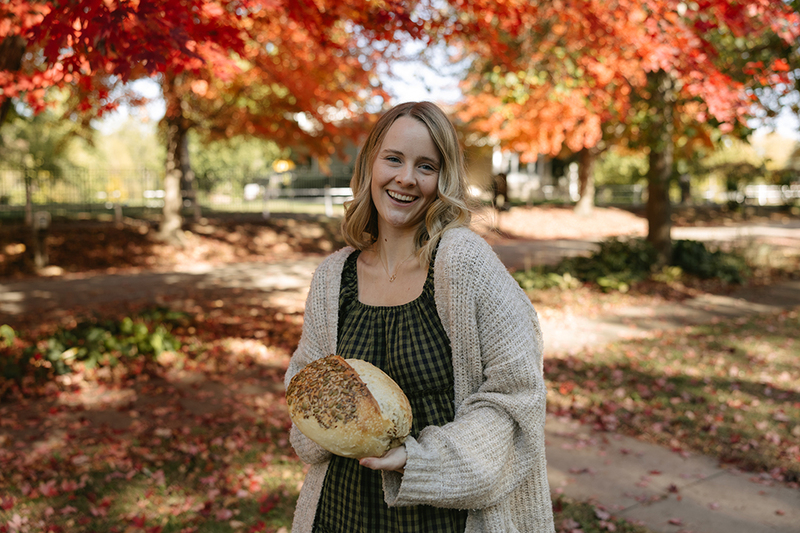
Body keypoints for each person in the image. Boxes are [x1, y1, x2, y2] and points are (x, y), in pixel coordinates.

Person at [284, 101, 555, 533]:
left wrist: (416, 457)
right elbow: (305, 385)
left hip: (444, 517)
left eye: (425, 166)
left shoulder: (465, 265)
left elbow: (516, 398)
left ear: (441, 179)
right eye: (393, 158)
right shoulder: (333, 278)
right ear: (370, 164)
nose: (406, 178)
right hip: (340, 511)